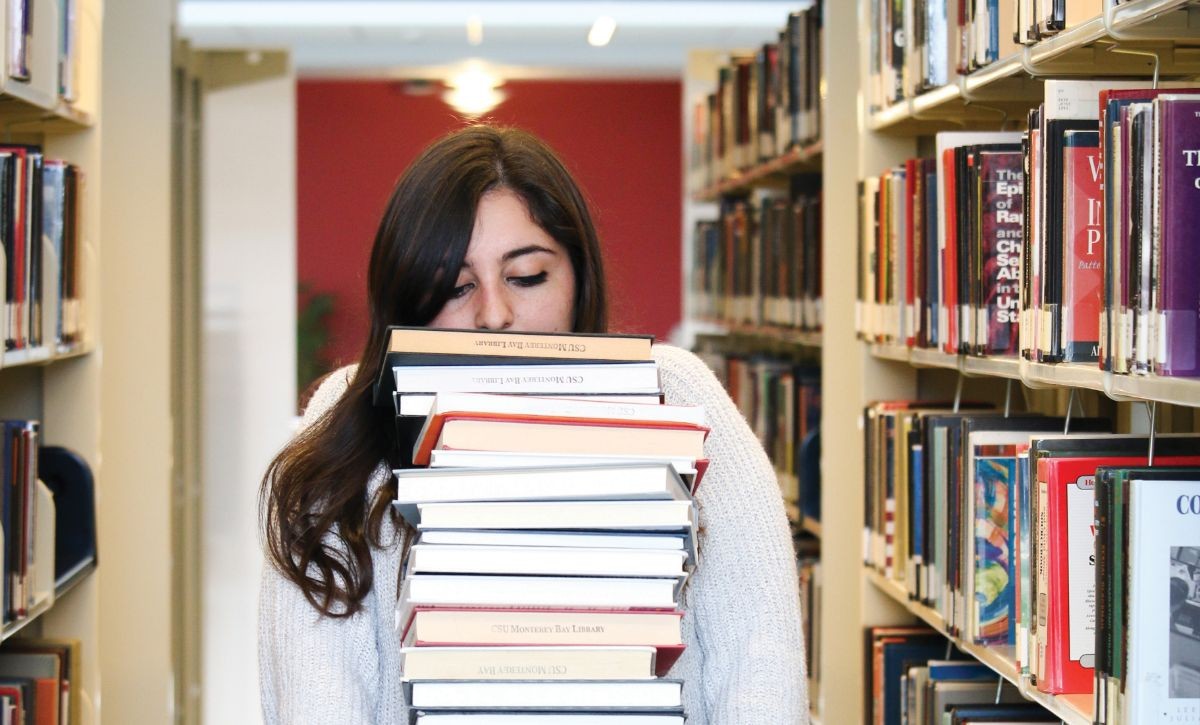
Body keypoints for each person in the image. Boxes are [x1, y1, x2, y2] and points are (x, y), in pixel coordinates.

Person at [258, 125, 807, 723]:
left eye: (526, 277)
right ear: (407, 299)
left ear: (578, 278)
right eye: (454, 287)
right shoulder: (346, 421)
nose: (494, 314)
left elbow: (760, 659)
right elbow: (317, 694)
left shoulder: (672, 393)